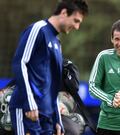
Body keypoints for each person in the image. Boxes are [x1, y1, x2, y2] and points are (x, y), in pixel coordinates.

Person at [9, 0, 88, 134]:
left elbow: (53, 84)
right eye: (76, 20)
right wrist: (30, 103)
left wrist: (57, 118)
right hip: (28, 112)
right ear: (64, 13)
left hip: (47, 116)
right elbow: (20, 63)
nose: (77, 27)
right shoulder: (38, 29)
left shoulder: (57, 42)